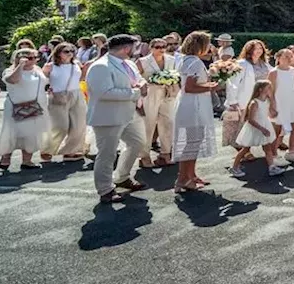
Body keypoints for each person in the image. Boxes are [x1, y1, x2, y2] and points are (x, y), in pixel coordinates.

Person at [84, 35, 149, 203]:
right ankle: (105, 189)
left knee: (138, 142)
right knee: (107, 154)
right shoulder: (100, 66)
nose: (136, 50)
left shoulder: (129, 63)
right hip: (108, 116)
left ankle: (122, 176)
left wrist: (141, 84)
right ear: (126, 48)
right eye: (134, 47)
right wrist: (136, 92)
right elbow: (104, 93)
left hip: (129, 113)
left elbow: (138, 79)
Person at [171, 31, 218, 192]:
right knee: (192, 142)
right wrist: (210, 86)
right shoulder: (195, 62)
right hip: (194, 105)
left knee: (194, 141)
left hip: (188, 103)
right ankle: (182, 178)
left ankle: (191, 174)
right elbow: (190, 87)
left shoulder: (185, 59)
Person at [0, 48, 50, 171]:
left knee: (31, 134)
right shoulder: (11, 70)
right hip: (16, 107)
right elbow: (12, 80)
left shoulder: (37, 70)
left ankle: (27, 160)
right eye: (31, 58)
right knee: (14, 133)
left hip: (35, 106)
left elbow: (44, 82)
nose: (34, 61)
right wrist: (20, 65)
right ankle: (5, 158)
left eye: (35, 58)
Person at [42, 42, 88, 162]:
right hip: (57, 96)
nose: (70, 54)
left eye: (72, 51)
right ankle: (47, 149)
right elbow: (41, 81)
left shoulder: (77, 64)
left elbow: (82, 78)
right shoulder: (50, 66)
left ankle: (71, 151)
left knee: (78, 125)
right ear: (58, 53)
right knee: (60, 126)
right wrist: (48, 89)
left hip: (76, 94)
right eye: (66, 51)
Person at [136, 36, 178, 167]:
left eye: (163, 47)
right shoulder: (142, 61)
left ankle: (165, 153)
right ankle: (144, 156)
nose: (161, 49)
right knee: (148, 124)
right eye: (158, 47)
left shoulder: (171, 60)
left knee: (168, 122)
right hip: (150, 94)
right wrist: (149, 82)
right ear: (151, 48)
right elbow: (136, 79)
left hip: (168, 93)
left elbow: (176, 75)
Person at [230, 80, 286, 178]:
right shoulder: (254, 103)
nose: (270, 90)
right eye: (268, 88)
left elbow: (270, 113)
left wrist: (274, 110)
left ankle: (271, 168)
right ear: (260, 89)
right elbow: (251, 120)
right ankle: (234, 167)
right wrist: (262, 129)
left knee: (267, 148)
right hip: (255, 127)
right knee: (245, 149)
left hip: (265, 125)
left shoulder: (267, 101)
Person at [269, 48, 294, 160]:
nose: (289, 58)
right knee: (277, 130)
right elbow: (270, 91)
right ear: (278, 58)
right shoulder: (273, 72)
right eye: (286, 56)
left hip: (292, 102)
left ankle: (291, 152)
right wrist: (272, 106)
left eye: (290, 56)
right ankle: (274, 155)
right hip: (279, 103)